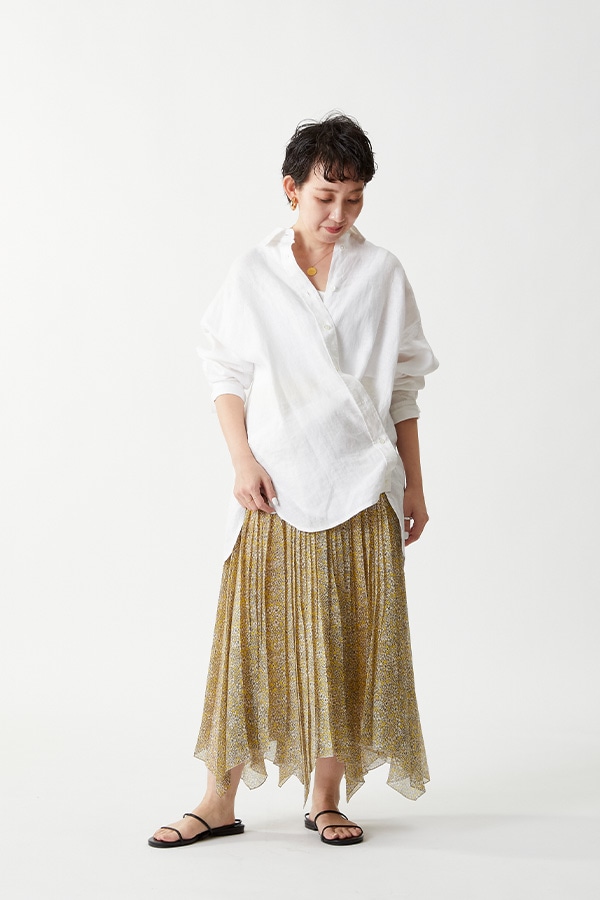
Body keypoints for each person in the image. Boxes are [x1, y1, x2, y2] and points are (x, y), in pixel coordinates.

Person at [149, 113, 438, 849]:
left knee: (345, 638)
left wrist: (413, 484)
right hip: (276, 485)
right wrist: (241, 460)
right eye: (324, 197)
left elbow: (405, 386)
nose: (339, 214)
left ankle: (326, 797)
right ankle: (217, 799)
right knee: (248, 639)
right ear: (291, 189)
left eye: (354, 199)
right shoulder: (255, 273)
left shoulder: (383, 274)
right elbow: (225, 371)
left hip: (363, 481)